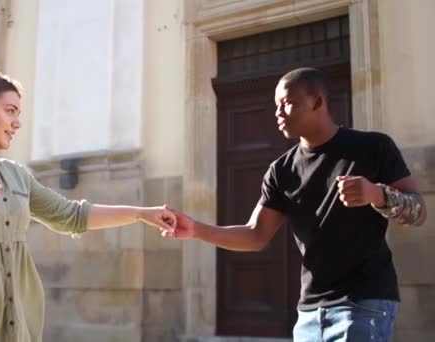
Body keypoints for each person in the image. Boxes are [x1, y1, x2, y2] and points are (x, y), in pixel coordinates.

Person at [0, 70, 176, 342]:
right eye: (10, 111)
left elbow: (71, 215)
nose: (17, 123)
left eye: (19, 114)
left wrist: (141, 214)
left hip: (14, 318)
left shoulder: (16, 175)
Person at [162, 67, 426, 341]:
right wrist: (195, 229)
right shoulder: (281, 170)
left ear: (317, 102)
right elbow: (255, 235)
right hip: (309, 315)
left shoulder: (374, 147)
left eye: (287, 103)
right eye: (276, 105)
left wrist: (377, 195)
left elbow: (418, 212)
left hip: (363, 305)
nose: (278, 113)